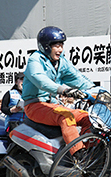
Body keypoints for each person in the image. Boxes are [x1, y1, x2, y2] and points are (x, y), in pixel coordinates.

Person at [22, 26, 94, 157]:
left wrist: (96, 91)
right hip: (35, 106)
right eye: (56, 46)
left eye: (62, 45)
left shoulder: (61, 62)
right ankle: (79, 155)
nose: (60, 49)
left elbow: (78, 78)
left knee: (88, 117)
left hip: (54, 106)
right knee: (66, 116)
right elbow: (41, 81)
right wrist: (64, 90)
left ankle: (90, 153)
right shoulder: (35, 59)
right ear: (46, 46)